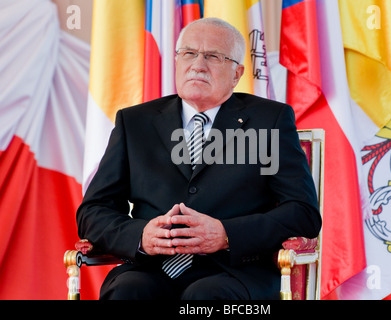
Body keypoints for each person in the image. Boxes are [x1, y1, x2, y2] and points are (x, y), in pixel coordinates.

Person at [77, 17, 321, 300]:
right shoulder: (135, 122)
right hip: (149, 269)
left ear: (237, 74)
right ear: (177, 62)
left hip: (236, 271)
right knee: (128, 292)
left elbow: (302, 213)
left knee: (205, 297)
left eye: (213, 56)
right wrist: (141, 235)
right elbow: (93, 211)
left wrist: (226, 233)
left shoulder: (270, 121)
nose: (198, 65)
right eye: (189, 53)